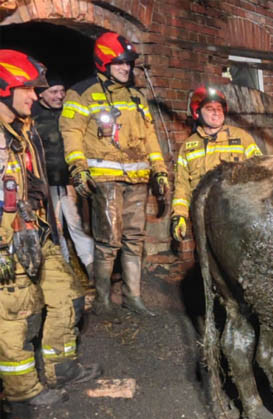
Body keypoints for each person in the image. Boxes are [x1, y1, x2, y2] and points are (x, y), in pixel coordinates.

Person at [0, 50, 101, 406]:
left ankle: (61, 366)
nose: (34, 95)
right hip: (6, 243)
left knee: (69, 294)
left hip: (34, 229)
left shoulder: (21, 129)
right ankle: (21, 388)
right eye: (26, 88)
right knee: (15, 314)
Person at [60, 32, 169, 316]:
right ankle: (103, 300)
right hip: (105, 180)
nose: (126, 69)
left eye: (129, 64)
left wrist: (159, 170)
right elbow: (71, 132)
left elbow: (149, 137)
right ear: (103, 63)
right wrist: (78, 167)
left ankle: (133, 297)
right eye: (120, 64)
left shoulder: (136, 96)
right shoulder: (82, 93)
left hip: (137, 178)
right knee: (108, 242)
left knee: (135, 239)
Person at [170, 85, 262, 242]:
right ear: (197, 112)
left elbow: (261, 172)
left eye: (219, 108)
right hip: (204, 217)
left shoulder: (242, 138)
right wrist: (179, 215)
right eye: (210, 108)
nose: (216, 112)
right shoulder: (188, 146)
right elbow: (182, 186)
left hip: (238, 215)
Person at [31, 72, 95, 279]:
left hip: (69, 181)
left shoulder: (69, 113)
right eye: (54, 92)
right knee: (54, 227)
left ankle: (92, 269)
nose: (60, 96)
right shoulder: (32, 117)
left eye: (62, 91)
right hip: (46, 183)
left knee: (78, 225)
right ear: (41, 95)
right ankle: (65, 272)